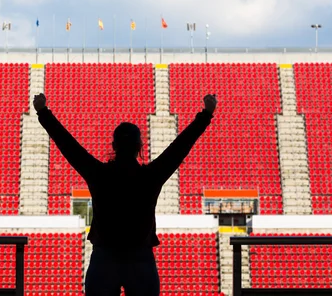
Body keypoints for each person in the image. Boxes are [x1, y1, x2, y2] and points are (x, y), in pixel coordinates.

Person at [33, 92, 217, 296]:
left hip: (104, 257)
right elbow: (180, 147)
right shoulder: (151, 176)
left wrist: (43, 112)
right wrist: (206, 114)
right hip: (140, 258)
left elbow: (69, 146)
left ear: (113, 147)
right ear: (140, 147)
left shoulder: (98, 174)